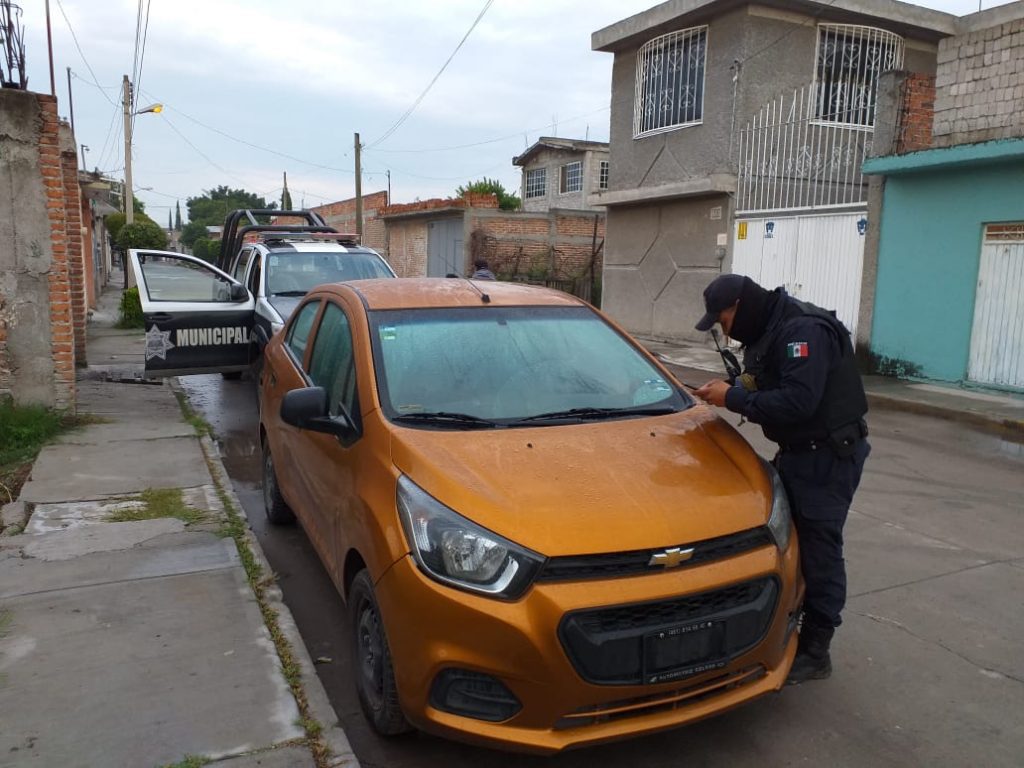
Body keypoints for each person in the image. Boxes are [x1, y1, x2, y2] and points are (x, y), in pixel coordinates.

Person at [692, 273, 870, 685]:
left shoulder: (801, 331)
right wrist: (731, 386)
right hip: (800, 453)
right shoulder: (770, 328)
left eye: (723, 321)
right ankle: (788, 625)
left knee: (820, 549)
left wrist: (733, 398)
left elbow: (798, 401)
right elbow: (765, 378)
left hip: (826, 458)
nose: (725, 331)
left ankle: (816, 651)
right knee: (792, 543)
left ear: (738, 306)